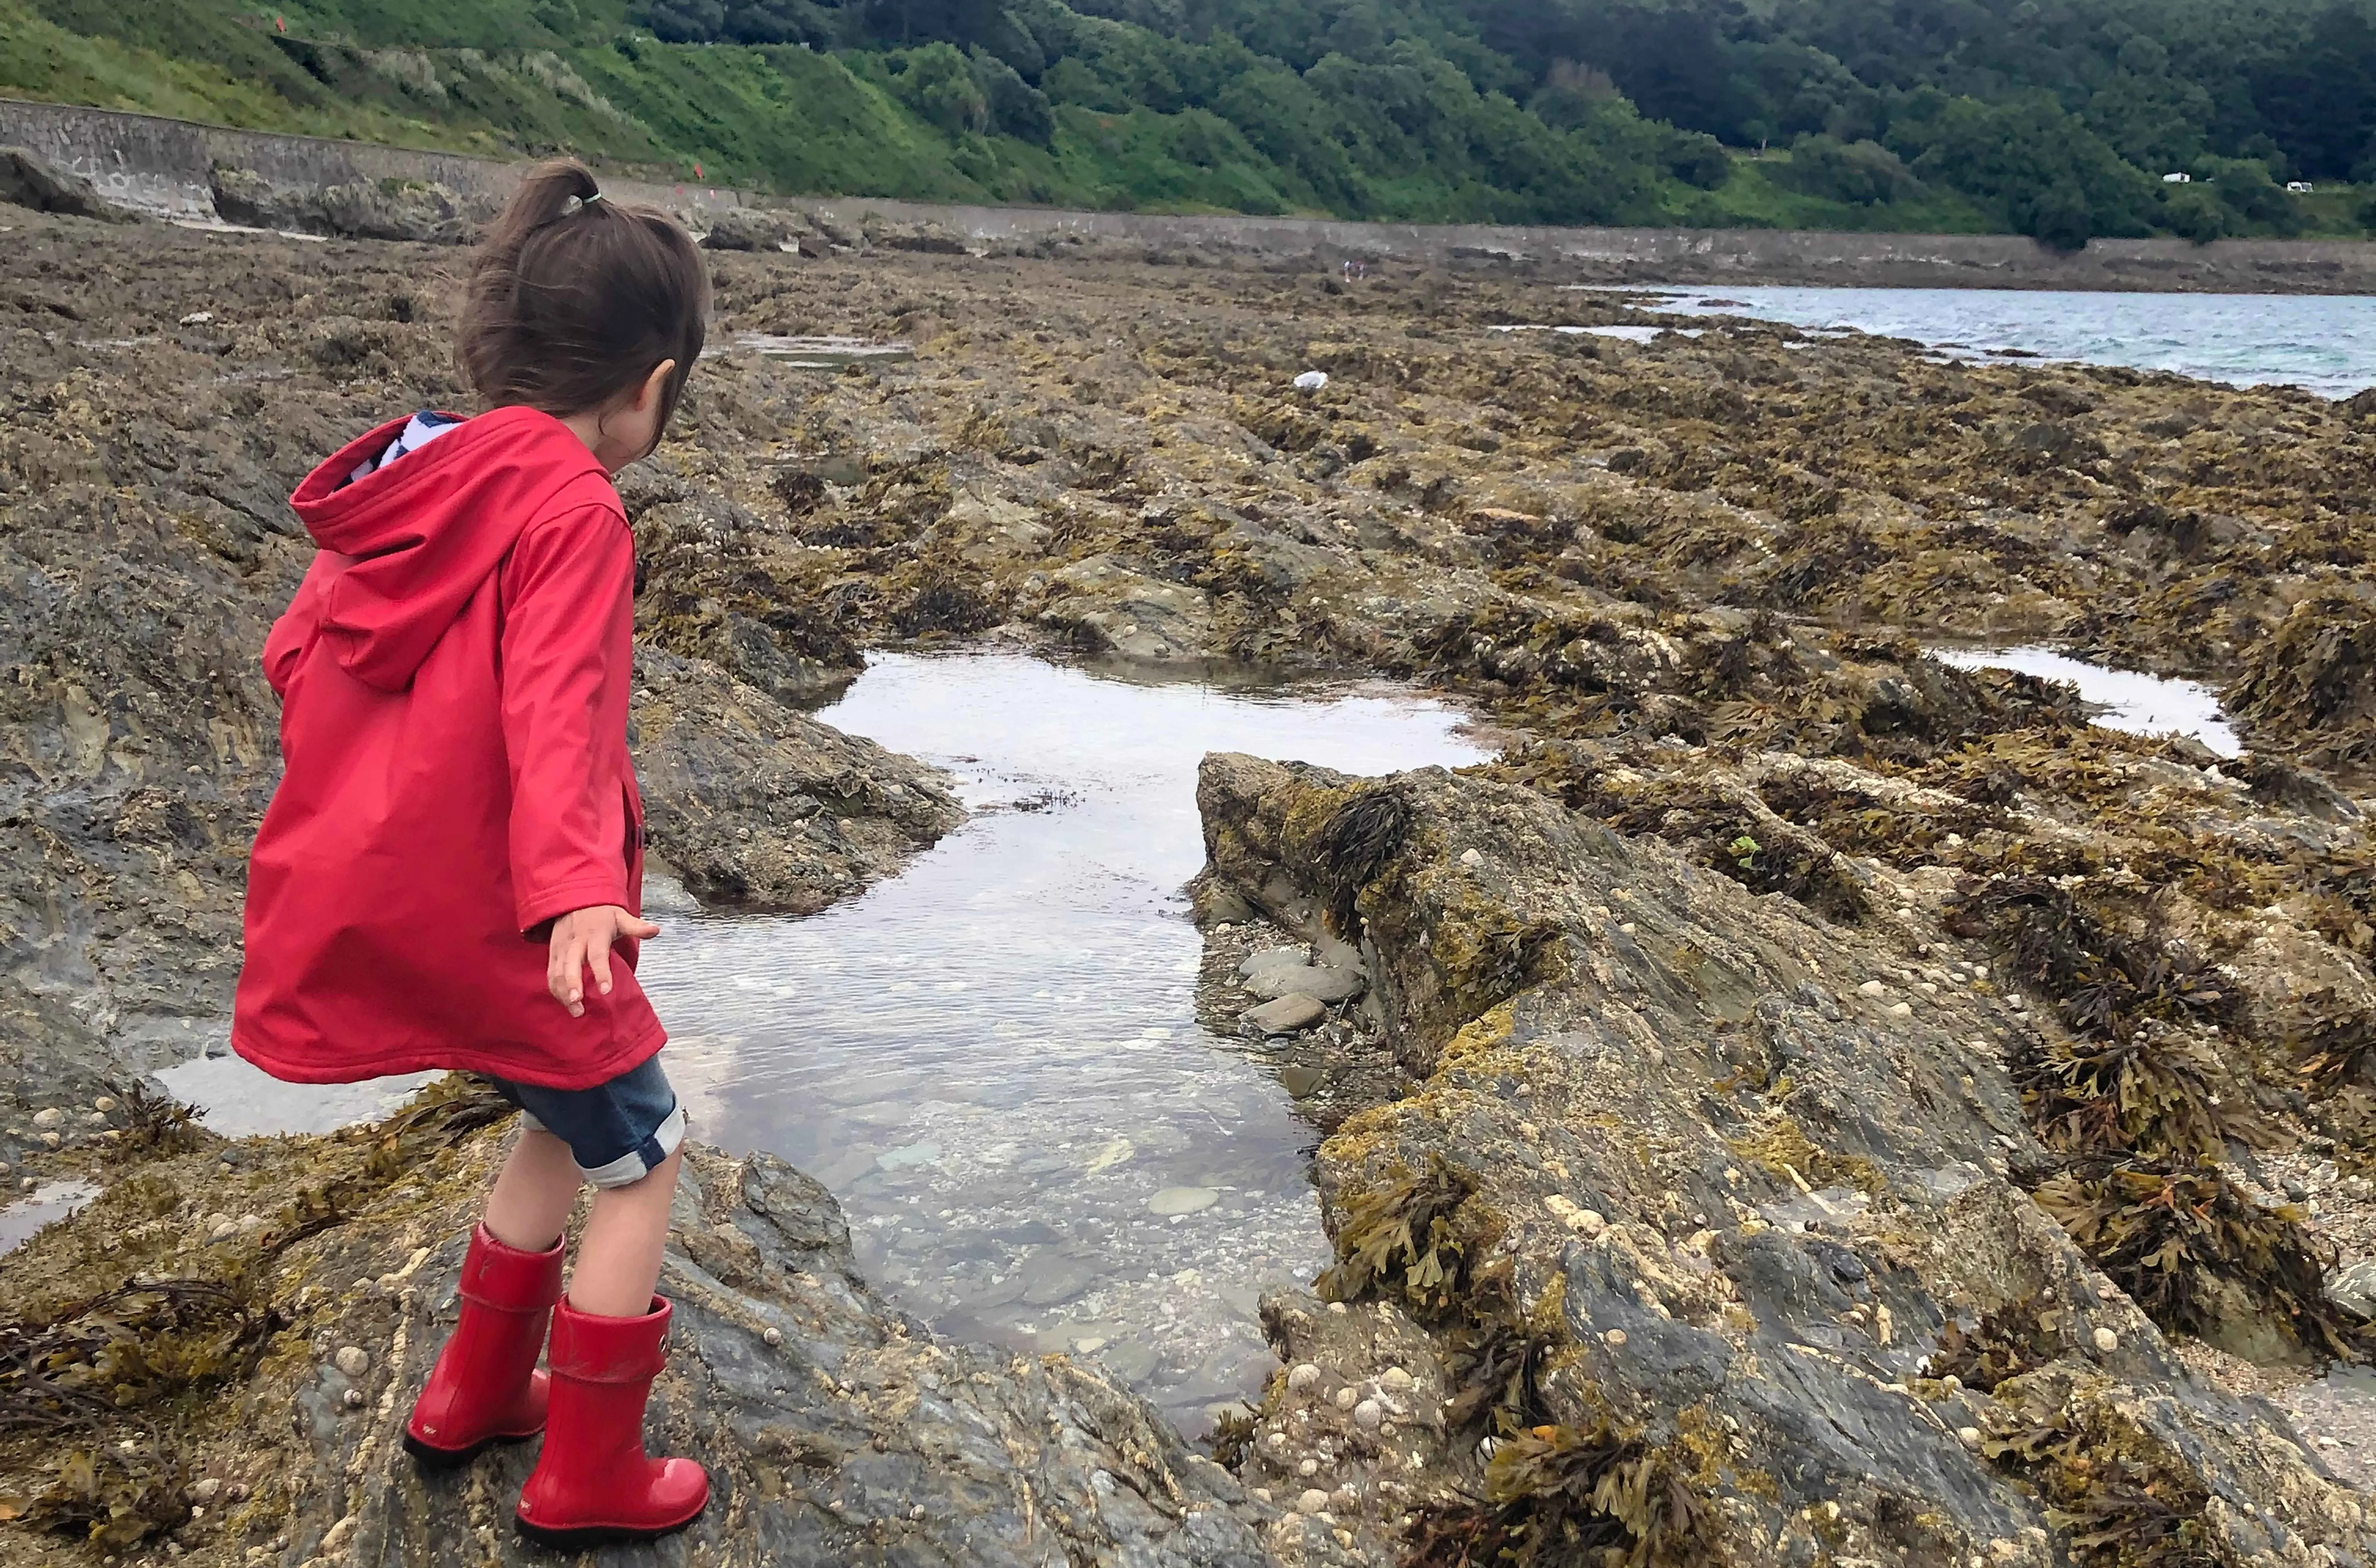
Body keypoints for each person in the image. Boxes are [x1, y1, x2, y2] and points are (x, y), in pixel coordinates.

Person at [230, 159, 711, 1548]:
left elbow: (296, 656)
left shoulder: (405, 480)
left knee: (557, 1113)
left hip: (399, 904)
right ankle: (586, 1475)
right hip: (513, 918)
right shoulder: (570, 509)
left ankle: (468, 1396)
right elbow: (556, 712)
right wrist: (575, 894)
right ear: (652, 385)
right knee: (648, 1151)